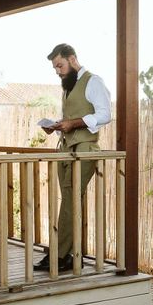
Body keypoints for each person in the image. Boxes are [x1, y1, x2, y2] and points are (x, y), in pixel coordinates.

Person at [34, 43, 111, 272]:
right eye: (55, 68)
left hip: (85, 149)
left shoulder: (93, 81)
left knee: (69, 200)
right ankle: (67, 254)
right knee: (69, 201)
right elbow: (70, 117)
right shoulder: (68, 86)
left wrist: (74, 123)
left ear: (73, 59)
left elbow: (105, 115)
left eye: (60, 65)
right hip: (66, 149)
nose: (58, 71)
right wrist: (58, 126)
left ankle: (58, 256)